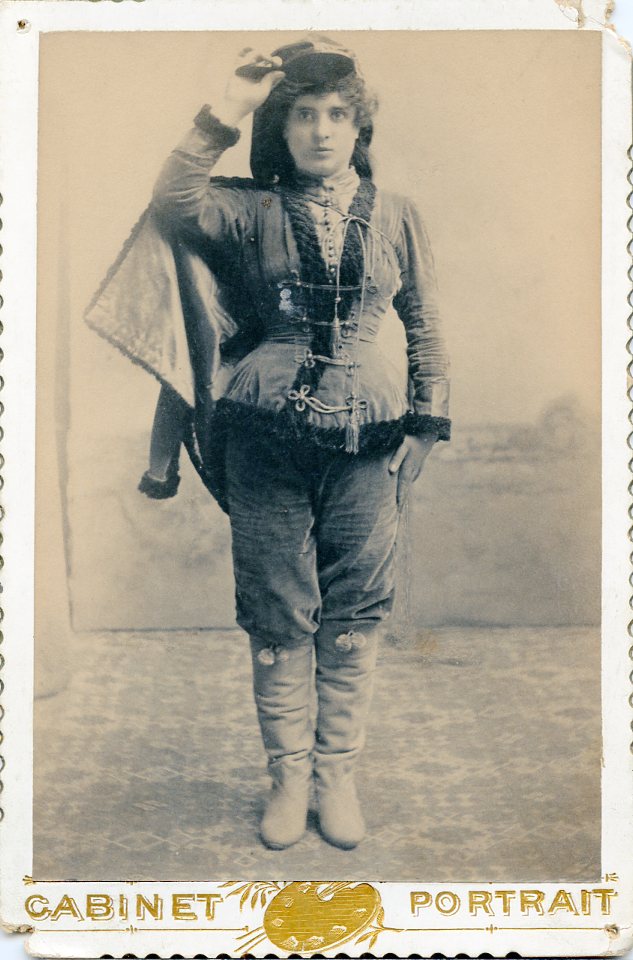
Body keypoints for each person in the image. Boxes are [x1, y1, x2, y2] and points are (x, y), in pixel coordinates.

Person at [86, 36, 450, 851]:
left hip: (371, 437)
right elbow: (172, 198)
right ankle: (287, 777)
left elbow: (425, 322)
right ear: (281, 128)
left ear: (359, 127)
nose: (321, 131)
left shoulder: (398, 215)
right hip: (261, 436)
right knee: (278, 611)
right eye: (304, 115)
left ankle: (335, 776)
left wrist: (427, 423)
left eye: (338, 115)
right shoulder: (246, 211)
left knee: (355, 606)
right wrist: (230, 106)